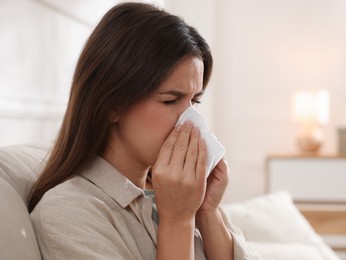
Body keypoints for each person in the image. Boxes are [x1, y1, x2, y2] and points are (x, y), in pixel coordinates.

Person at [29, 3, 257, 260]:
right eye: (170, 100)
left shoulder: (177, 194)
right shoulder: (68, 212)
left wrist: (207, 211)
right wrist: (177, 221)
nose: (192, 121)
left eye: (195, 102)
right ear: (112, 103)